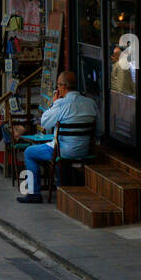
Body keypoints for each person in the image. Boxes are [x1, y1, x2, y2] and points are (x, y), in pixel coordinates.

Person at [17, 70, 98, 204]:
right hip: (84, 150)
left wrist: (53, 104)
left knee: (29, 152)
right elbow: (98, 127)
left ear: (63, 87)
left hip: (63, 151)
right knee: (60, 157)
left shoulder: (61, 104)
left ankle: (33, 193)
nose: (57, 89)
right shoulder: (90, 103)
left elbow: (44, 122)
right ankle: (63, 187)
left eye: (58, 86)